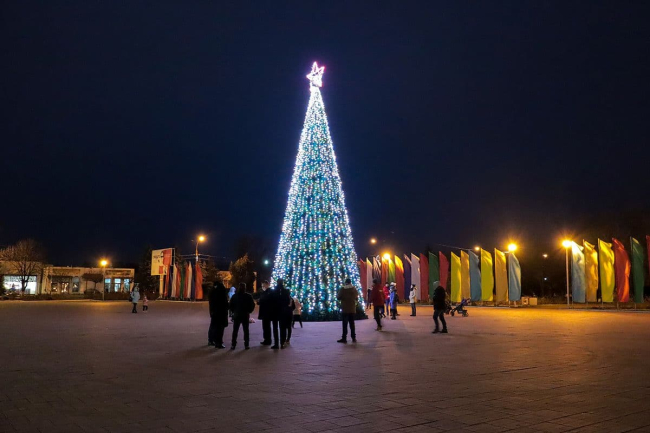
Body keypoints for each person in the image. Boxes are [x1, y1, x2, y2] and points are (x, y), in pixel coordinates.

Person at [229, 283, 255, 350]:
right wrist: (249, 311)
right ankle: (246, 344)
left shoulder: (235, 296)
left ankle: (233, 344)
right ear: (245, 288)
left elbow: (231, 305)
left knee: (235, 331)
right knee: (246, 330)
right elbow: (252, 305)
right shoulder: (248, 296)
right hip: (245, 315)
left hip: (237, 315)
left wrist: (233, 312)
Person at [208, 281, 229, 348]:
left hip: (214, 312)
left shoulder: (212, 292)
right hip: (221, 313)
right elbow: (225, 303)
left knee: (213, 326)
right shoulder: (221, 292)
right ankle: (218, 342)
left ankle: (211, 340)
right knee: (220, 328)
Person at [337, 278, 359, 343]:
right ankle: (353, 338)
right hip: (352, 309)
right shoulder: (354, 289)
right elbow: (356, 297)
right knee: (352, 324)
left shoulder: (343, 289)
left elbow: (338, 297)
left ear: (345, 282)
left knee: (345, 324)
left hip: (345, 309)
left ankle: (344, 338)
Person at [255, 280, 272, 345]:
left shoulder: (269, 292)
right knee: (265, 326)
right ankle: (266, 339)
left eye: (263, 285)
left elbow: (266, 301)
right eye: (262, 286)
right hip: (265, 312)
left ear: (267, 284)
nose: (263, 287)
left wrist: (260, 301)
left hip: (267, 312)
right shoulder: (265, 292)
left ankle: (268, 340)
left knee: (266, 326)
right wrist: (259, 301)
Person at [277, 280, 294, 347]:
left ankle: (283, 341)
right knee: (288, 327)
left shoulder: (279, 293)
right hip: (289, 313)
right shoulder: (290, 298)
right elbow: (293, 307)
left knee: (283, 327)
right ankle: (287, 339)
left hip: (283, 313)